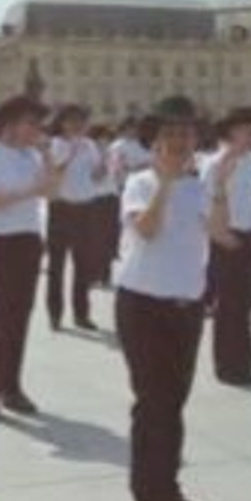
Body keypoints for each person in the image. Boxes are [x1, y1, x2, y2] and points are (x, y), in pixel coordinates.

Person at [116, 96, 227, 501]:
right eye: (169, 135)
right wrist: (165, 182)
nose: (179, 141)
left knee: (174, 402)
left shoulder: (198, 186)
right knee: (152, 402)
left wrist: (219, 187)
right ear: (154, 143)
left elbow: (219, 233)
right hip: (142, 303)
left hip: (187, 304)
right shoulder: (139, 182)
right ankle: (146, 495)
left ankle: (169, 489)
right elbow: (145, 230)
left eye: (186, 134)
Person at [0, 95, 56, 425]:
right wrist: (26, 191)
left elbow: (51, 192)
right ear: (11, 124)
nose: (37, 130)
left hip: (26, 240)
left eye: (39, 125)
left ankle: (12, 388)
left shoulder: (33, 155)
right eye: (31, 123)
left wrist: (47, 158)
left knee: (20, 316)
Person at [202, 106, 251, 386]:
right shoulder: (214, 164)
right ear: (232, 131)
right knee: (229, 305)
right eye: (250, 130)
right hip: (226, 237)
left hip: (250, 236)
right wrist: (220, 235)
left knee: (246, 302)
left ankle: (244, 363)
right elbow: (204, 205)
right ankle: (228, 366)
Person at [46, 104, 104, 331]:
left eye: (81, 121)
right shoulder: (56, 144)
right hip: (62, 207)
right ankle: (55, 313)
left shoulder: (90, 145)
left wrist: (103, 168)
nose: (77, 125)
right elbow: (55, 173)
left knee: (83, 264)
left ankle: (82, 314)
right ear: (61, 123)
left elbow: (96, 174)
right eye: (71, 121)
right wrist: (70, 152)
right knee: (56, 265)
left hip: (86, 207)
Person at [108, 118, 153, 259]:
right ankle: (116, 248)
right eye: (131, 127)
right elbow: (116, 166)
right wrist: (137, 168)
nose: (134, 131)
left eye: (136, 128)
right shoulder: (118, 145)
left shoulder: (144, 144)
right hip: (126, 185)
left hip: (147, 186)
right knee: (124, 218)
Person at [88, 124, 119, 287]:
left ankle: (106, 275)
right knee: (95, 239)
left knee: (108, 238)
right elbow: (95, 177)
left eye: (107, 138)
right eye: (101, 138)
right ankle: (93, 275)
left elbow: (115, 174)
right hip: (96, 198)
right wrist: (103, 162)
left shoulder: (112, 153)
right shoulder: (90, 154)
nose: (105, 141)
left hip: (111, 197)